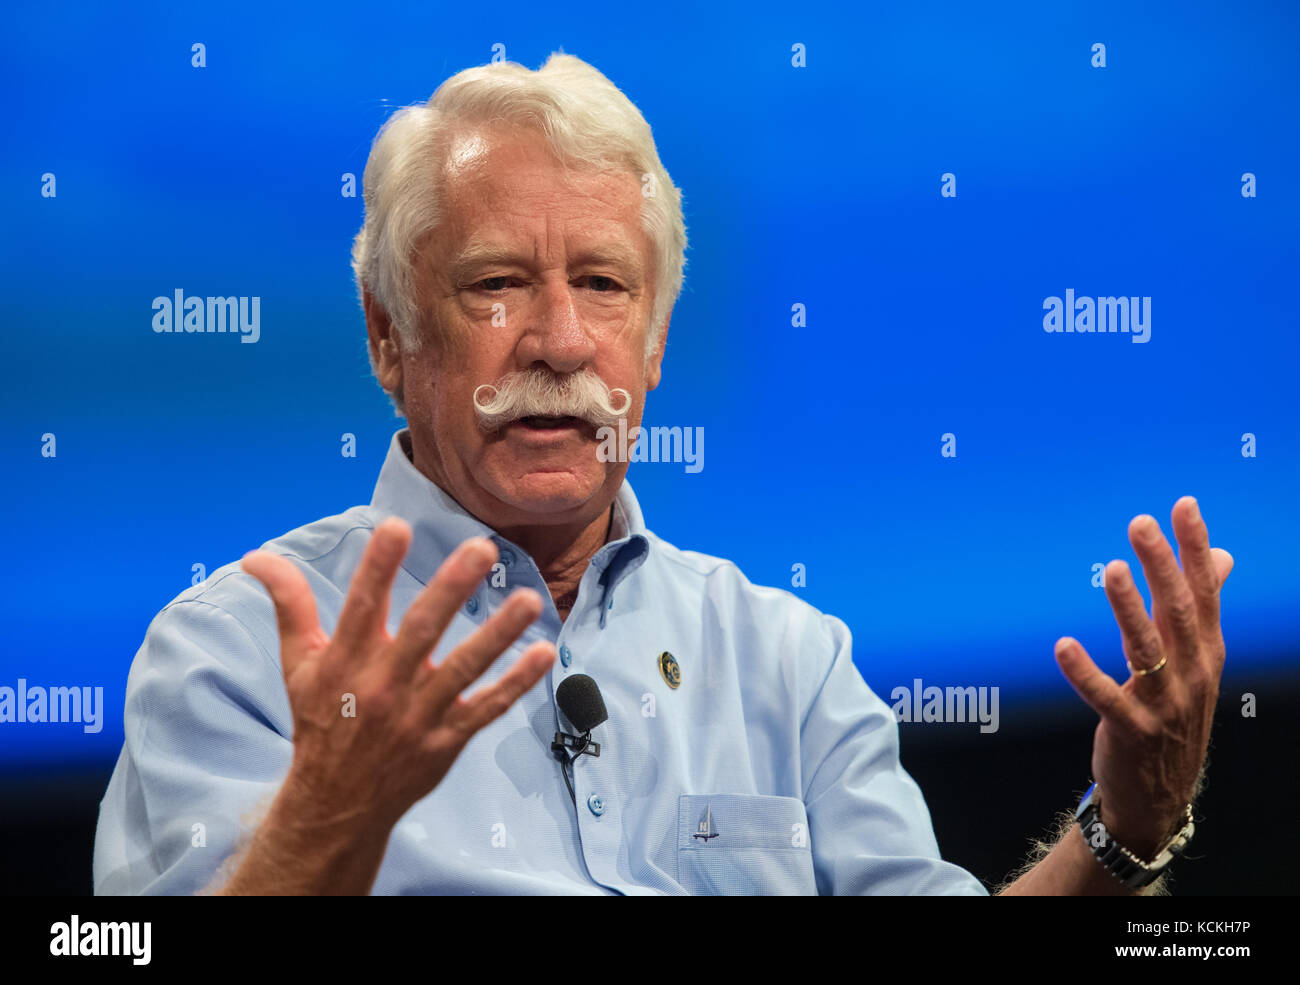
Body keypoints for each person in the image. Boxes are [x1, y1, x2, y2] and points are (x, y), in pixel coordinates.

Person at [93, 53, 1233, 896]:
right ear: (389, 336)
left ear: (653, 345)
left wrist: (1125, 827)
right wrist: (324, 825)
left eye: (602, 284)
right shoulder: (236, 650)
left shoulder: (784, 659)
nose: (557, 341)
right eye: (495, 282)